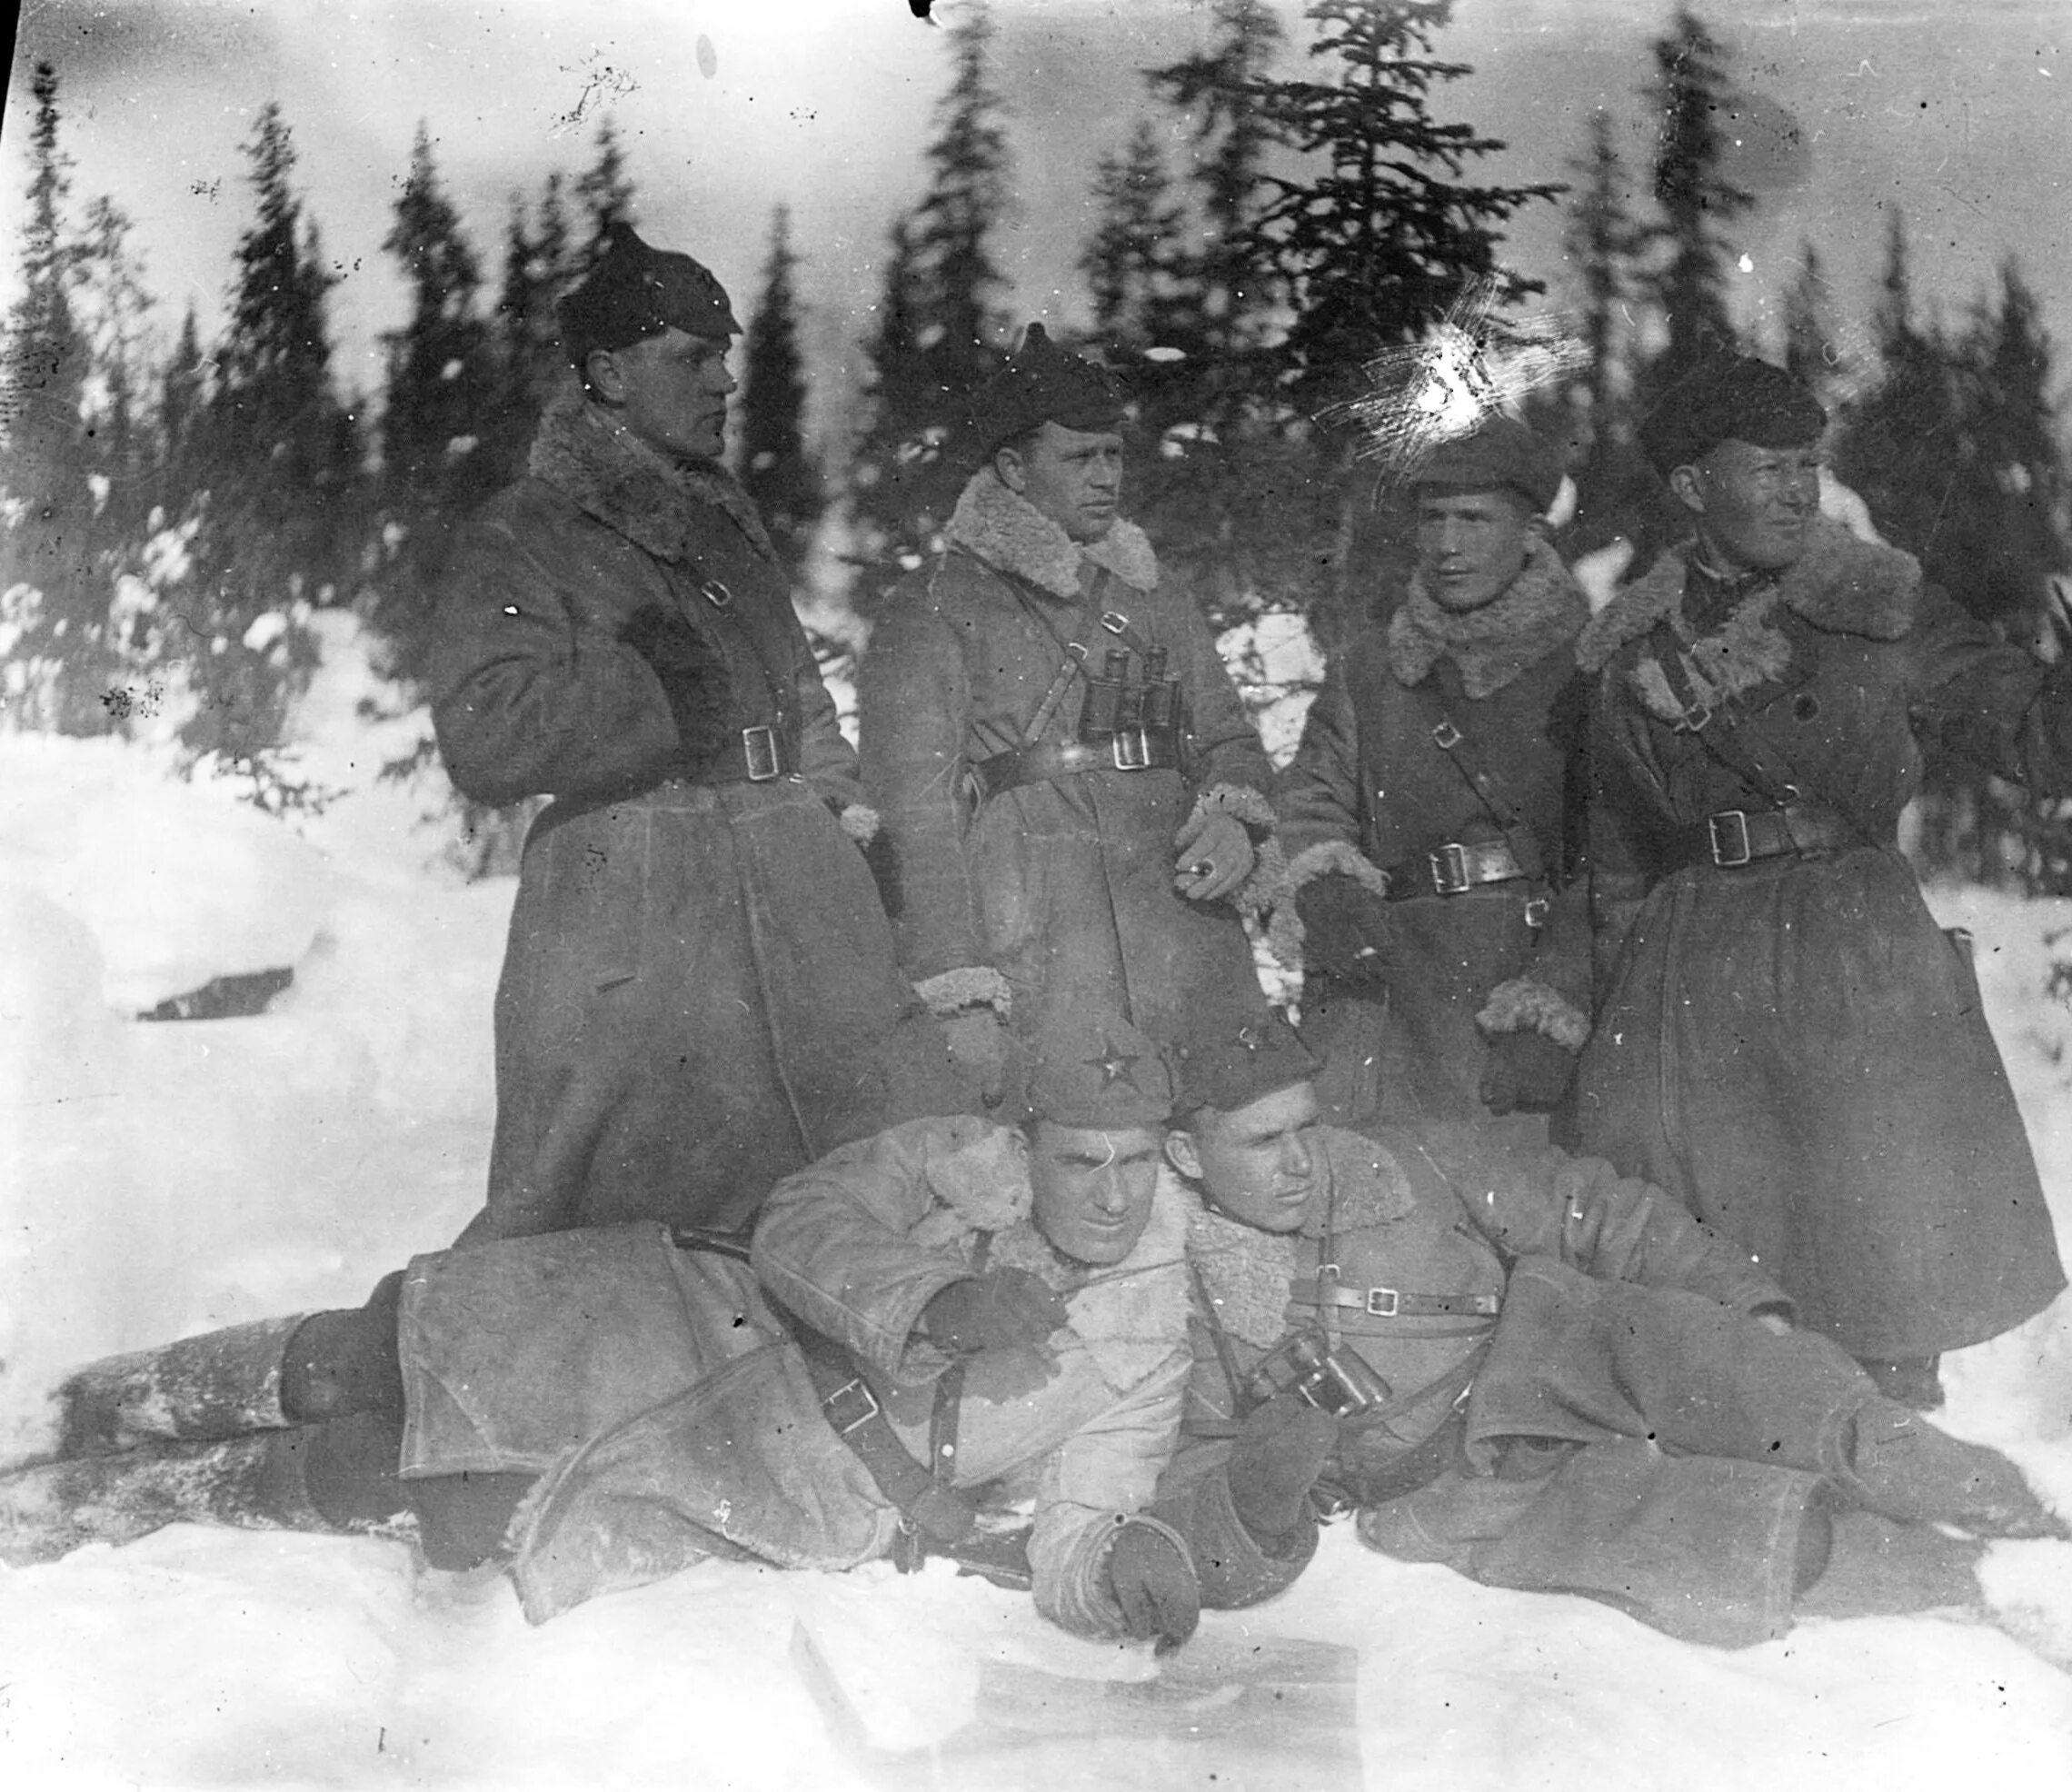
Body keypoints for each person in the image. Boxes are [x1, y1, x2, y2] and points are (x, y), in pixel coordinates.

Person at [0, 1020, 1204, 1648]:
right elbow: (805, 1221)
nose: (1112, 1193)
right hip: (681, 1320)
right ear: (1032, 1140)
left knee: (424, 1490)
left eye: (1139, 1163)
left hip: (775, 1475)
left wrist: (1111, 1578)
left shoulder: (1146, 1335)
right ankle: (51, 1412)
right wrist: (932, 1301)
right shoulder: (959, 1156)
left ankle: (63, 1515)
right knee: (377, 1352)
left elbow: (1086, 1517)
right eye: (1083, 1160)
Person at [1144, 1019, 2072, 1684]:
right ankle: (1998, 1582)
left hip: (1563, 1343)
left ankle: (2048, 1501)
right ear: (1186, 1153)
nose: (1302, 1162)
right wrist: (1258, 1488)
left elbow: (1596, 1213)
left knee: (1783, 1396)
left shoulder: (1410, 1159)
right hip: (1463, 1492)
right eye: (1262, 1142)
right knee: (1708, 1539)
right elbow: (1193, 1509)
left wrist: (1741, 1299)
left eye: (1305, 1126)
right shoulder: (1177, 1299)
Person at [1568, 354, 2072, 1409]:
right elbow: (1615, 863)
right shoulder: (1627, 653)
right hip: (1688, 986)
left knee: (1882, 1289)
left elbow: (2052, 739)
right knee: (1716, 1303)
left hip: (1850, 960)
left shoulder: (1880, 606)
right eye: (1764, 467)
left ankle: (1904, 1498)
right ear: (1691, 487)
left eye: (1806, 465)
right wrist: (1612, 1039)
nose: (1795, 490)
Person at [427, 223, 964, 1245]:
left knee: (852, 1191)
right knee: (608, 1229)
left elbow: (801, 697)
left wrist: (844, 815)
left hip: (792, 885)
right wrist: (647, 694)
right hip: (630, 919)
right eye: (690, 358)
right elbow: (482, 735)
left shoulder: (724, 523)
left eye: (724, 355)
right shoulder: (524, 531)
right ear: (608, 374)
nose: (722, 381)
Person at [858, 324, 1284, 1105]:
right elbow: (914, 817)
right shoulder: (932, 605)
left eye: (1113, 455)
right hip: (1035, 927)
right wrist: (957, 982)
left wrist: (1235, 819)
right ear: (1014, 469)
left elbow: (1227, 737)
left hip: (1181, 919)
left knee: (1232, 1135)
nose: (1105, 477)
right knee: (1069, 1150)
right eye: (1079, 457)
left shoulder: (1156, 594)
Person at [1277, 415, 1594, 1137]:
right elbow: (1313, 798)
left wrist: (1556, 998)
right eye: (1433, 520)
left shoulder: (1587, 667)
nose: (1448, 545)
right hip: (1390, 981)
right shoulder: (1369, 668)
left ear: (1531, 533)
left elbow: (1611, 864)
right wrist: (1325, 884)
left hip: (1521, 980)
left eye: (1475, 520)